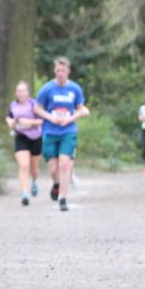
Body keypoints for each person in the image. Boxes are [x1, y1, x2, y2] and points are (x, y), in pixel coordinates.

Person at [34, 57, 87, 212]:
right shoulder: (47, 89)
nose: (60, 73)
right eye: (58, 71)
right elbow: (37, 108)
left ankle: (62, 198)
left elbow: (81, 109)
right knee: (53, 169)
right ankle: (56, 183)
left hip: (68, 131)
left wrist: (70, 118)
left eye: (63, 71)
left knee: (64, 164)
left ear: (68, 71)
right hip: (50, 131)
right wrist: (50, 117)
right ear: (54, 71)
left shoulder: (75, 89)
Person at [6, 81, 43, 206]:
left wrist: (29, 122)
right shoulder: (13, 105)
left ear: (28, 92)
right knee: (24, 165)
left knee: (34, 169)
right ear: (15, 93)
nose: (20, 93)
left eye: (23, 91)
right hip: (21, 137)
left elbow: (42, 121)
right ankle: (25, 193)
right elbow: (9, 117)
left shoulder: (34, 104)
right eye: (18, 91)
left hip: (36, 138)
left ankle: (34, 181)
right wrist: (10, 122)